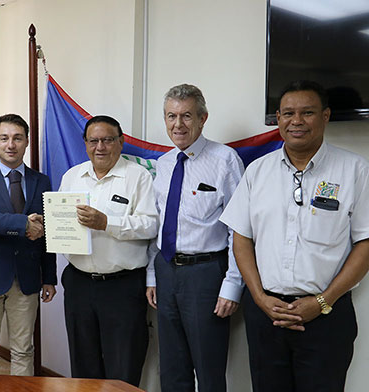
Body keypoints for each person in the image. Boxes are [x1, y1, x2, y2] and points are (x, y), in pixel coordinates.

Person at [220, 80, 369, 392]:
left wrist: (322, 301)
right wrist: (259, 297)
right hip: (266, 315)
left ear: (325, 116)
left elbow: (365, 244)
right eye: (288, 113)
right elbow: (241, 238)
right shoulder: (257, 171)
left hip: (327, 317)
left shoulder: (355, 170)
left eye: (307, 113)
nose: (296, 121)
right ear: (278, 118)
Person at [145, 84, 244, 392]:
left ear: (203, 118)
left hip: (206, 274)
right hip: (166, 270)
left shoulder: (225, 160)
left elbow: (240, 228)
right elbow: (159, 223)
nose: (178, 125)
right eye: (171, 116)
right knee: (171, 366)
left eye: (187, 116)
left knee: (208, 367)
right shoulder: (163, 163)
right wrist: (152, 274)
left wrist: (233, 284)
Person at [58, 115, 157, 386]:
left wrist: (106, 223)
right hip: (79, 284)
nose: (100, 146)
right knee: (83, 364)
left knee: (123, 366)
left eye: (107, 140)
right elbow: (62, 221)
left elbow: (150, 225)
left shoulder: (138, 177)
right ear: (85, 144)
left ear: (121, 142)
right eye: (93, 141)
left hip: (122, 288)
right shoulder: (72, 176)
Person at [0, 114, 57, 376]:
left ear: (27, 141)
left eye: (17, 138)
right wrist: (23, 223)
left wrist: (49, 277)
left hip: (26, 277)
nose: (11, 144)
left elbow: (47, 232)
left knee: (24, 349)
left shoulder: (42, 181)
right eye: (4, 138)